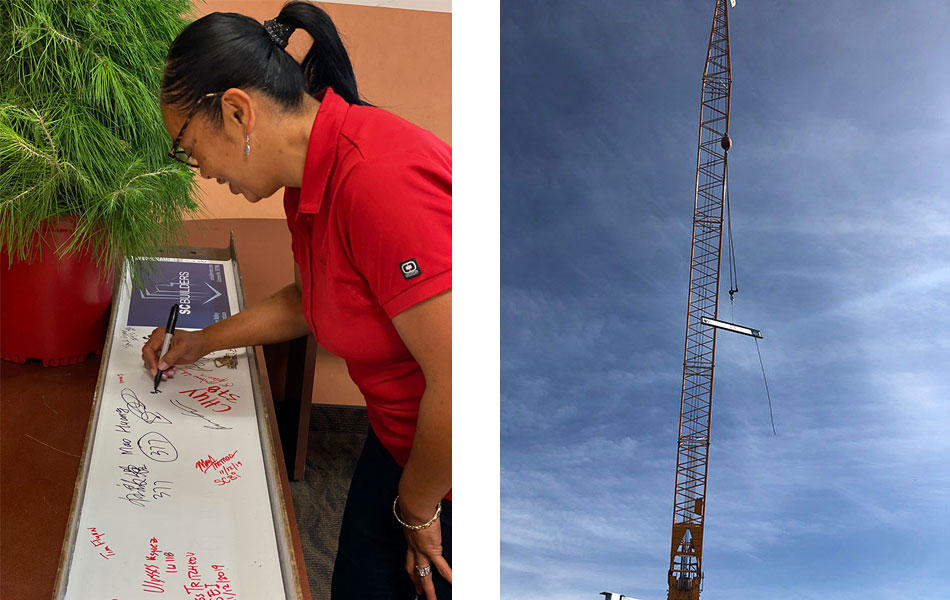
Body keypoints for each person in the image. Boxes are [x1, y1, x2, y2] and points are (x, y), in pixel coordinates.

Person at [140, 3, 451, 599]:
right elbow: (317, 298)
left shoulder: (380, 178)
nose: (197, 168)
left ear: (236, 111)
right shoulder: (306, 179)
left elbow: (463, 379)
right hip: (395, 444)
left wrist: (417, 506)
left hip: (446, 470)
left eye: (185, 144)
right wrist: (199, 342)